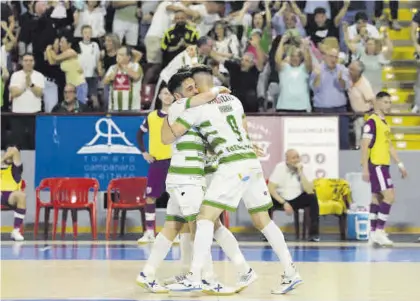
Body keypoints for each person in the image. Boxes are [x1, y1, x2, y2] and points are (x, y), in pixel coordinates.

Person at [164, 65, 301, 295]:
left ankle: (195, 276)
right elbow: (243, 130)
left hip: (232, 165)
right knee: (262, 220)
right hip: (250, 161)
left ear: (197, 86)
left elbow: (170, 136)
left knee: (205, 218)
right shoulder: (234, 100)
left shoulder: (198, 108)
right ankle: (290, 272)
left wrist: (172, 109)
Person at [137, 71, 254, 295]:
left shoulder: (192, 112)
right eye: (190, 88)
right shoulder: (180, 106)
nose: (196, 90)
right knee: (203, 226)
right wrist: (219, 90)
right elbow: (200, 100)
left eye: (195, 86)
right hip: (186, 179)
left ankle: (147, 273)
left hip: (183, 178)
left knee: (171, 227)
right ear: (178, 95)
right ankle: (207, 278)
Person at [361, 91, 408, 247]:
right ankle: (380, 231)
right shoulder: (371, 122)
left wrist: (400, 164)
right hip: (377, 165)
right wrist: (365, 168)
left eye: (390, 102)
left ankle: (373, 233)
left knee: (377, 199)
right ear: (378, 102)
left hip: (384, 165)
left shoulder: (384, 123)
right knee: (390, 196)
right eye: (386, 102)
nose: (389, 105)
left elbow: (389, 145)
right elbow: (364, 146)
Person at [136, 86, 174, 244]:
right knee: (150, 197)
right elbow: (139, 134)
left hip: (174, 162)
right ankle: (150, 232)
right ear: (159, 96)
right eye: (165, 93)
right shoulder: (151, 116)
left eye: (170, 93)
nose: (168, 96)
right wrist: (144, 152)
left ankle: (175, 233)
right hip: (157, 162)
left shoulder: (179, 116)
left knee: (177, 198)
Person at [268, 149, 320, 242]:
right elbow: (271, 188)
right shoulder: (280, 167)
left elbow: (309, 190)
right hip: (281, 198)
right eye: (293, 158)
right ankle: (267, 234)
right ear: (287, 160)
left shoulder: (305, 168)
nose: (296, 160)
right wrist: (283, 203)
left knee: (312, 198)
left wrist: (301, 172)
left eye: (297, 157)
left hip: (297, 198)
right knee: (266, 200)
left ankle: (314, 234)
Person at [1, 146, 26, 241]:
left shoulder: (16, 168)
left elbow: (15, 150)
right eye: (8, 152)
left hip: (10, 196)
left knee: (21, 196)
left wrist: (1, 159)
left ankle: (16, 231)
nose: (10, 154)